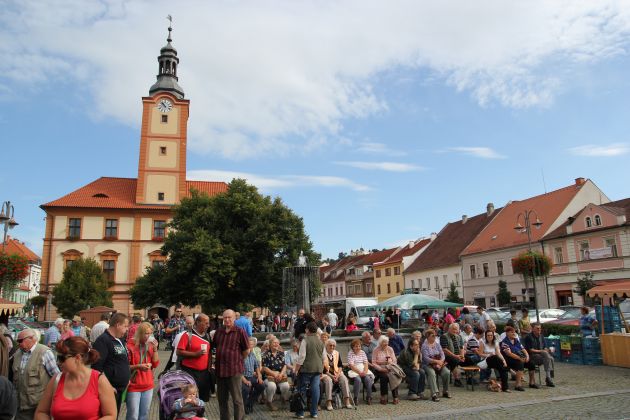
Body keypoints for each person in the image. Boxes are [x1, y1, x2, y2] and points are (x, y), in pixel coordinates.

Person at [34, 336, 116, 420]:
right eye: (57, 358)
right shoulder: (56, 380)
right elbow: (41, 412)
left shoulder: (99, 380)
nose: (58, 362)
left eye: (62, 358)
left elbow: (110, 415)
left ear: (77, 358)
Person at [12, 329, 60, 420]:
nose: (18, 343)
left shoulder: (45, 352)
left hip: (38, 407)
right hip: (19, 407)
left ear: (31, 338)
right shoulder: (17, 354)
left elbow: (57, 378)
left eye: (20, 340)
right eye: (17, 341)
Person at [213, 309, 249, 420]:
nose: (227, 319)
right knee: (222, 400)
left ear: (234, 318)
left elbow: (246, 350)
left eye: (229, 317)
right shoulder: (219, 331)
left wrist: (238, 360)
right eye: (225, 317)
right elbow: (214, 347)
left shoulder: (240, 332)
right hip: (220, 371)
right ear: (223, 319)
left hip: (234, 371)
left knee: (237, 400)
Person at [92, 312, 130, 413]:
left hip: (119, 389)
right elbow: (97, 367)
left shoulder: (120, 339)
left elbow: (121, 360)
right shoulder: (103, 340)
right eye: (125, 326)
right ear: (117, 325)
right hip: (109, 389)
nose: (127, 329)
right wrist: (107, 387)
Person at [126, 322, 160, 420]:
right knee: (133, 415)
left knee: (144, 414)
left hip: (148, 384)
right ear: (140, 333)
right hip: (134, 385)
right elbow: (125, 367)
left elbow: (155, 364)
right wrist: (138, 366)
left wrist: (155, 349)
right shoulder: (130, 345)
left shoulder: (149, 345)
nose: (148, 336)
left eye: (150, 333)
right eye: (146, 333)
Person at [177, 314, 212, 402]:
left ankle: (200, 415)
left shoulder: (208, 336)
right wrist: (195, 354)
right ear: (198, 323)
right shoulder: (188, 335)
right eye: (206, 323)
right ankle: (190, 414)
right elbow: (179, 352)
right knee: (190, 398)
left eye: (208, 323)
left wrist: (210, 367)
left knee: (202, 400)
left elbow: (210, 353)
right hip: (190, 372)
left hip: (204, 373)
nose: (208, 325)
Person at [295, 322, 324, 419]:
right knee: (315, 390)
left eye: (306, 329)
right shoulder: (320, 341)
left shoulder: (305, 340)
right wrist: (321, 369)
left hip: (306, 369)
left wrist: (296, 369)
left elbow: (302, 356)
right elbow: (323, 357)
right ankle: (314, 412)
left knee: (302, 390)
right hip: (317, 369)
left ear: (308, 330)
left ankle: (300, 412)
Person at [321, 338, 352, 410]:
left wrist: (337, 375)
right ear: (326, 346)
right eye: (330, 345)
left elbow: (340, 365)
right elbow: (323, 369)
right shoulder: (323, 354)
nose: (332, 347)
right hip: (326, 374)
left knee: (344, 379)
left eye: (333, 345)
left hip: (336, 372)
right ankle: (329, 401)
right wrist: (332, 376)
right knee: (328, 381)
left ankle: (346, 399)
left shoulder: (336, 353)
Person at [523, 323, 555, 388]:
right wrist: (542, 351)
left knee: (550, 358)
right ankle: (548, 378)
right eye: (537, 328)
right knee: (549, 358)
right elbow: (531, 350)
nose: (539, 330)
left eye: (540, 328)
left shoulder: (541, 336)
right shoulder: (529, 337)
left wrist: (548, 349)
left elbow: (544, 347)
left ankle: (548, 378)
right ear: (533, 329)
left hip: (541, 356)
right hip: (532, 356)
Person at [421, 329, 450, 401]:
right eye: (432, 336)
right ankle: (434, 394)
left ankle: (445, 391)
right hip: (428, 365)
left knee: (447, 372)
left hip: (439, 363)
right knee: (432, 374)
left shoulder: (437, 344)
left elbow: (442, 355)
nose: (434, 337)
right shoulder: (424, 346)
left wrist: (440, 363)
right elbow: (426, 358)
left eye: (435, 336)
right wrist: (436, 362)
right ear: (428, 337)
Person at [262, 337, 290, 411]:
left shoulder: (281, 353)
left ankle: (282, 396)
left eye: (277, 343)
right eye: (274, 343)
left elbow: (285, 365)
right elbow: (264, 368)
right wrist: (274, 374)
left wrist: (280, 374)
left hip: (280, 376)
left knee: (286, 386)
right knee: (272, 386)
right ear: (270, 344)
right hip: (269, 376)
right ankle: (269, 401)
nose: (276, 344)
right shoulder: (266, 354)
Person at [371, 335, 399, 405]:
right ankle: (384, 396)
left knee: (393, 376)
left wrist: (390, 365)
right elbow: (373, 362)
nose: (386, 344)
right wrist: (381, 369)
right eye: (384, 342)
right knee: (384, 377)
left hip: (390, 367)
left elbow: (394, 360)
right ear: (380, 343)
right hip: (379, 368)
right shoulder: (376, 350)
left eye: (387, 342)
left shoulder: (390, 349)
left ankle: (395, 396)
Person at [347, 338, 374, 405]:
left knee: (368, 379)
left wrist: (365, 371)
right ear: (353, 347)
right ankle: (356, 398)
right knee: (358, 379)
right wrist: (359, 372)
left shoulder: (362, 352)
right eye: (356, 346)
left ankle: (369, 397)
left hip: (363, 369)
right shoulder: (350, 353)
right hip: (354, 370)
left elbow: (366, 363)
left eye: (359, 346)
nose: (358, 347)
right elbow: (351, 365)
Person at [241, 337, 265, 415]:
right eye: (248, 344)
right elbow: (237, 371)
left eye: (252, 344)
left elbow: (256, 366)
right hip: (242, 377)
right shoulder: (241, 354)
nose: (250, 346)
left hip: (251, 377)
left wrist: (259, 376)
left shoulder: (252, 354)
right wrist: (245, 380)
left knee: (262, 386)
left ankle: (250, 403)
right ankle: (244, 406)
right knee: (246, 389)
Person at [501, 326, 528, 391]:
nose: (514, 333)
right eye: (512, 332)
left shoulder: (516, 340)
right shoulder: (504, 342)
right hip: (508, 359)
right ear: (507, 333)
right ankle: (518, 385)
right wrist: (519, 358)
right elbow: (509, 354)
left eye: (514, 332)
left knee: (531, 363)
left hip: (517, 358)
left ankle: (532, 383)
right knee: (520, 363)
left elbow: (523, 349)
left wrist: (527, 356)